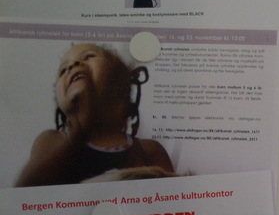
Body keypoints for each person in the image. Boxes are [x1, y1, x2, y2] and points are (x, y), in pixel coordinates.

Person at [17, 43, 174, 186]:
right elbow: (28, 191)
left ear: (119, 81)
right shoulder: (52, 140)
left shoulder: (149, 150)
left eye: (89, 56)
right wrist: (80, 132)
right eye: (63, 70)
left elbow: (170, 198)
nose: (72, 65)